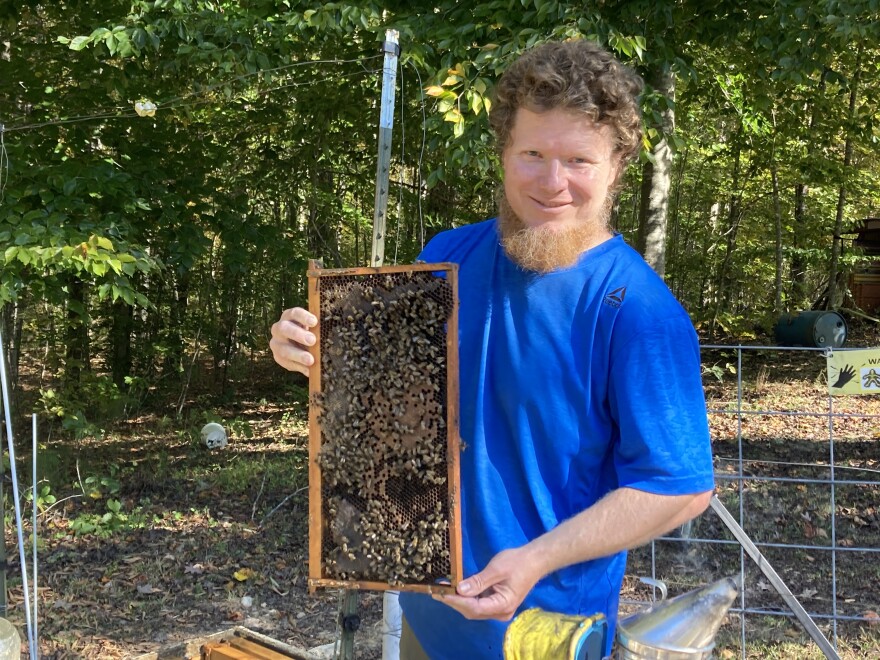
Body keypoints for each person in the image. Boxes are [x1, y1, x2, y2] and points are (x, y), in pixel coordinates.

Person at [270, 39, 714, 659]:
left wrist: (535, 560)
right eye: (532, 153)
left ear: (616, 166)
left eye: (579, 160)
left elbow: (680, 487)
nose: (552, 181)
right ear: (503, 153)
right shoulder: (449, 255)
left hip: (544, 633)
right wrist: (311, 351)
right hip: (429, 616)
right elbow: (385, 395)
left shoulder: (637, 310)